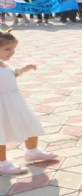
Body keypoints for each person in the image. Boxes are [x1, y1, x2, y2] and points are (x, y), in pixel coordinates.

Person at [0, 29, 58, 175]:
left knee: (29, 124)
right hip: (2, 103)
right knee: (1, 133)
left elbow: (10, 75)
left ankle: (32, 151)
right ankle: (2, 163)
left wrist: (23, 70)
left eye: (13, 49)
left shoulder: (4, 64)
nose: (11, 52)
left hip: (15, 101)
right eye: (7, 49)